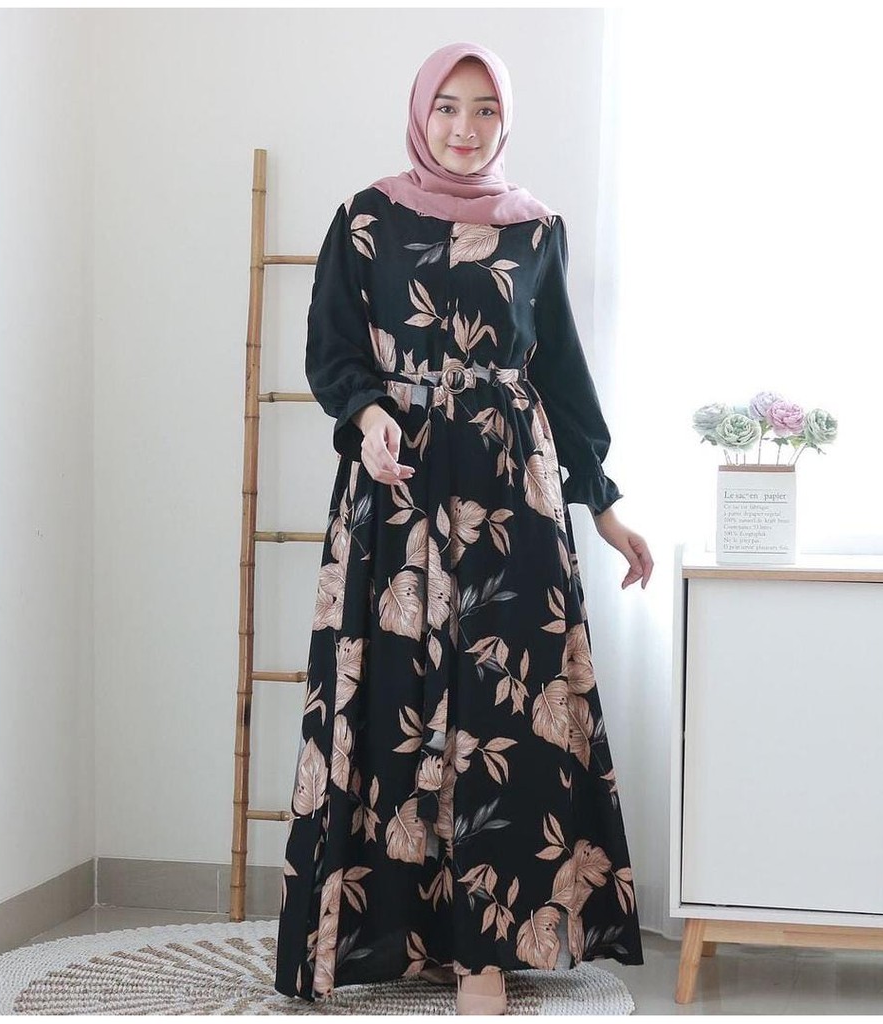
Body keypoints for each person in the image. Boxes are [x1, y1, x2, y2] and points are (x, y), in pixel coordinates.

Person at [274, 40, 653, 1014]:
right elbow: (331, 346)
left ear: (505, 120)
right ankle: (397, 936)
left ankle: (487, 950)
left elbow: (560, 374)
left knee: (506, 712)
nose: (464, 127)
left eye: (485, 110)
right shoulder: (366, 218)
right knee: (393, 704)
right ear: (420, 112)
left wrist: (604, 503)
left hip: (511, 494)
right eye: (447, 106)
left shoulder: (536, 229)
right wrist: (368, 418)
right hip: (397, 489)